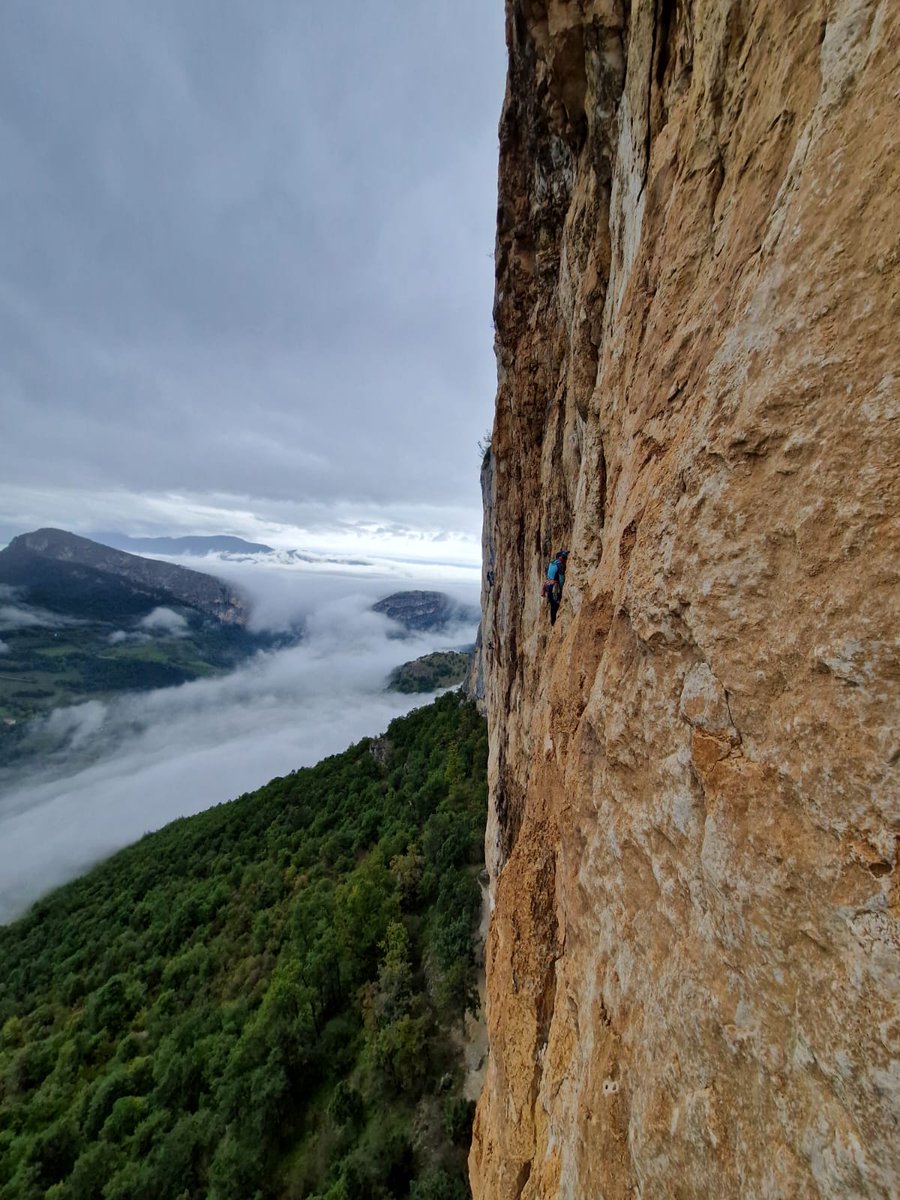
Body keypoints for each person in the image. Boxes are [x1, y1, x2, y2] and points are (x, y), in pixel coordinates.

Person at [542, 549, 568, 625]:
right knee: (555, 604)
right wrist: (561, 587)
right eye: (565, 558)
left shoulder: (552, 563)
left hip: (547, 585)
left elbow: (548, 574)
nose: (566, 560)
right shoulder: (560, 564)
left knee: (552, 603)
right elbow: (561, 579)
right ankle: (554, 622)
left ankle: (553, 621)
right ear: (562, 558)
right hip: (553, 586)